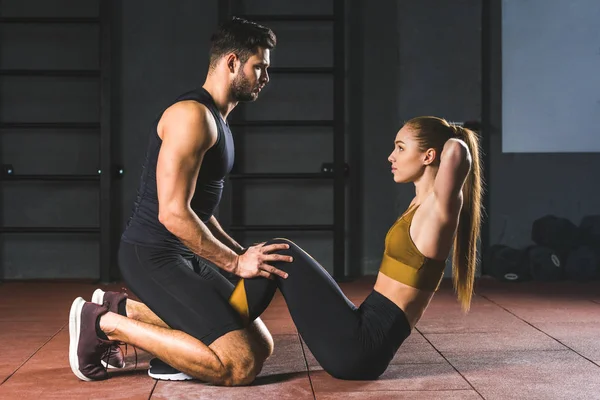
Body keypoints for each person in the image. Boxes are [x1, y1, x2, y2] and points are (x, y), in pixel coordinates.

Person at [68, 17, 295, 386]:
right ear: (232, 62)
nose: (265, 76)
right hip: (153, 254)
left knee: (260, 344)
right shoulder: (192, 117)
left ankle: (122, 308)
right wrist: (236, 263)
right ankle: (101, 323)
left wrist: (241, 250)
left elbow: (199, 210)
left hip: (186, 253)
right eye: (260, 66)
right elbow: (173, 213)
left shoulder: (218, 120)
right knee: (239, 365)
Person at [215, 115, 484, 379]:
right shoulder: (418, 204)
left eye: (401, 148)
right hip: (362, 335)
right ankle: (218, 330)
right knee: (275, 253)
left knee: (278, 251)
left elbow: (457, 151)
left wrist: (454, 132)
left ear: (429, 156)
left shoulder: (440, 208)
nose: (391, 156)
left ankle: (213, 333)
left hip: (362, 347)